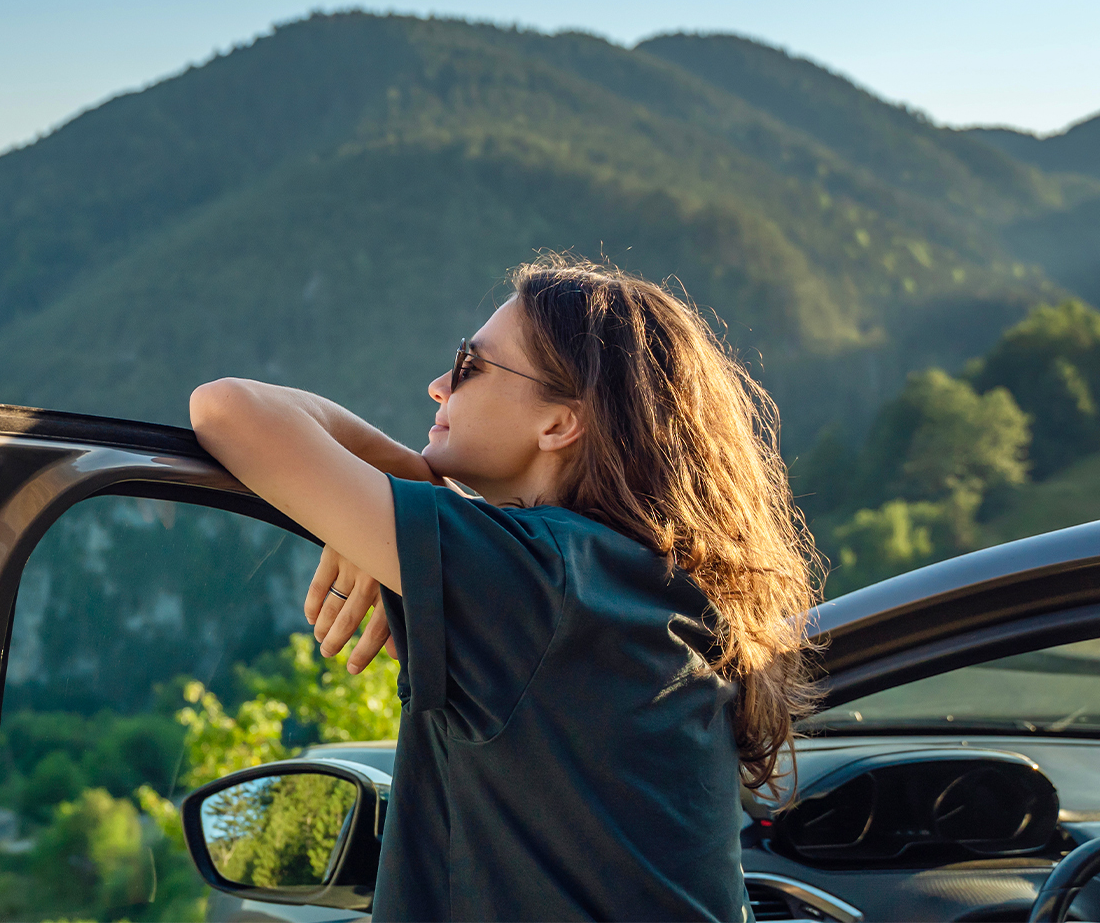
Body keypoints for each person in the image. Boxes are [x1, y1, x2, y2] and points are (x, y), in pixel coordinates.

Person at [189, 255, 820, 922]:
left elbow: (228, 410)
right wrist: (407, 501)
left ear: (558, 424)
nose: (438, 386)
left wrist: (408, 484)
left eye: (470, 366)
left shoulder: (540, 580)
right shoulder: (642, 586)